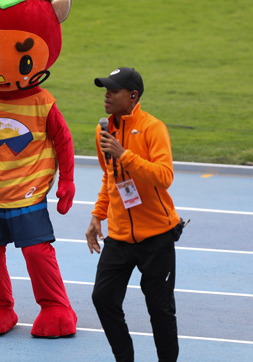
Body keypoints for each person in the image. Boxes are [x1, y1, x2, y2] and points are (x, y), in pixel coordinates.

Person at [85, 67, 185, 361]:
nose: (106, 95)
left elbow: (164, 176)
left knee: (160, 309)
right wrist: (97, 215)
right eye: (105, 90)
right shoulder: (103, 130)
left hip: (156, 236)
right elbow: (110, 176)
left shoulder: (153, 128)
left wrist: (124, 154)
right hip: (119, 236)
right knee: (103, 298)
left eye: (113, 90)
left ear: (133, 96)